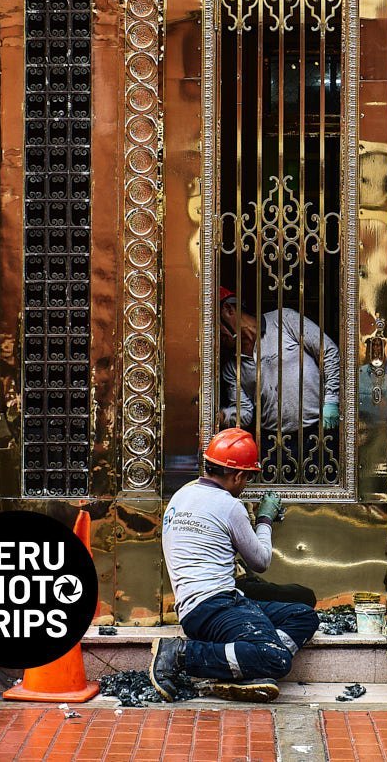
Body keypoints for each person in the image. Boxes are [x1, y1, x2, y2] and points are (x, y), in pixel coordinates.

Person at [150, 427, 319, 702]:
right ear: (238, 475)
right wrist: (264, 519)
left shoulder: (182, 495)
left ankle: (245, 666)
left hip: (203, 606)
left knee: (303, 615)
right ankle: (180, 654)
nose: (245, 486)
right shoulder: (228, 505)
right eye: (247, 479)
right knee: (276, 659)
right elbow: (261, 561)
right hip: (214, 607)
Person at [219, 289, 340, 472]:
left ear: (229, 310)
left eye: (215, 327)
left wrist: (331, 399)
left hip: (318, 432)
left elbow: (328, 351)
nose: (214, 336)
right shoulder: (231, 367)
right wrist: (222, 416)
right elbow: (245, 412)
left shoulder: (284, 320)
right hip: (273, 444)